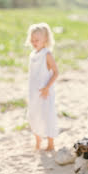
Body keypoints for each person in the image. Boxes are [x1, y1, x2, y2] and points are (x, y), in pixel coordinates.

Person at [25, 23, 58, 151]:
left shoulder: (47, 54)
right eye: (32, 40)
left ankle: (51, 143)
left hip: (45, 92)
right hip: (33, 91)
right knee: (33, 114)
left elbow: (56, 72)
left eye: (37, 40)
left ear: (45, 39)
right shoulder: (32, 54)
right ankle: (37, 140)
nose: (34, 42)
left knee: (47, 115)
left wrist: (47, 87)